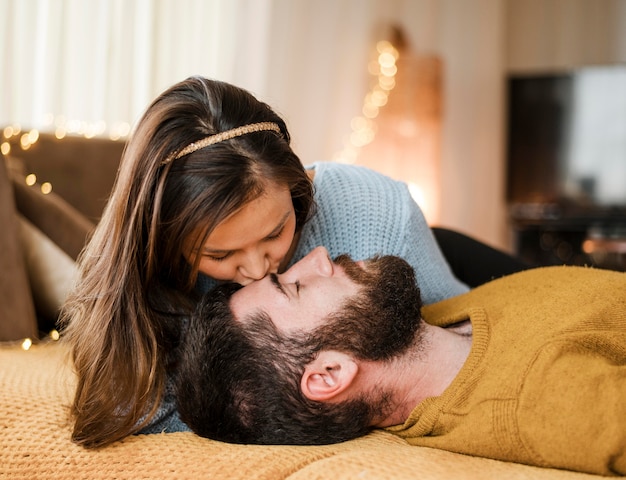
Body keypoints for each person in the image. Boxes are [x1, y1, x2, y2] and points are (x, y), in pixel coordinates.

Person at [60, 75, 527, 449]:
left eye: (275, 233)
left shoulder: (376, 211)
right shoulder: (139, 286)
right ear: (163, 241)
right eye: (220, 254)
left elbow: (458, 332)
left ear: (297, 188)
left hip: (448, 262)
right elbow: (129, 408)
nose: (260, 270)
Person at [175, 246, 626, 477]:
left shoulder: (431, 322)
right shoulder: (544, 402)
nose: (318, 257)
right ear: (331, 373)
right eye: (296, 286)